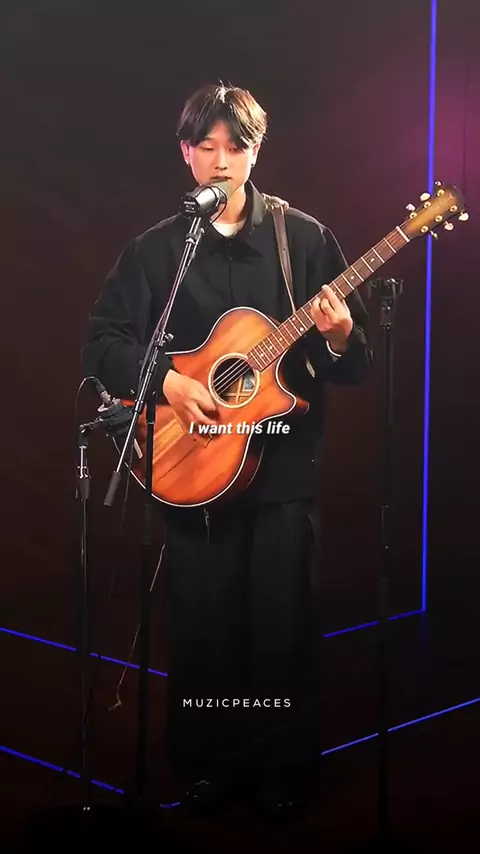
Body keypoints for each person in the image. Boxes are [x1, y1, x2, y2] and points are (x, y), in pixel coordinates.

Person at [82, 82, 373, 821]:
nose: (220, 161)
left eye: (235, 147)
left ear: (255, 152)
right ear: (185, 153)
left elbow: (355, 365)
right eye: (205, 146)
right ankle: (204, 769)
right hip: (191, 473)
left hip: (282, 476)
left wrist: (341, 335)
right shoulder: (158, 249)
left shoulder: (304, 239)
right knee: (203, 633)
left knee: (280, 631)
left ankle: (283, 774)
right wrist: (168, 384)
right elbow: (104, 343)